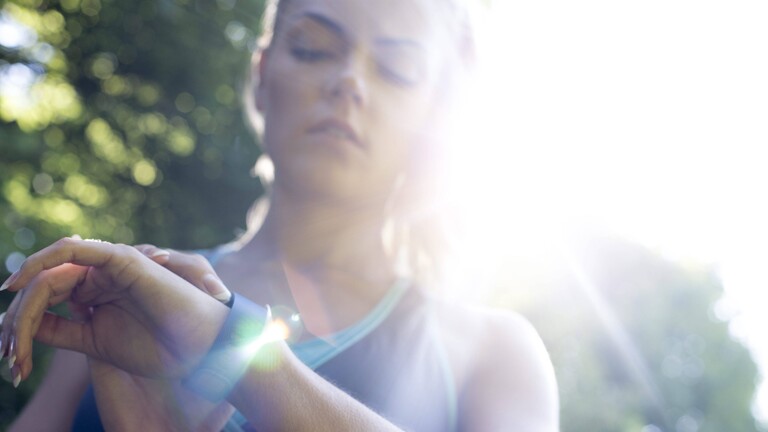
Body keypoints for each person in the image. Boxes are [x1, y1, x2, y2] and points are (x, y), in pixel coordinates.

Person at [0, 0, 559, 430]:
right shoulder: (118, 305)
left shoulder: (493, 353)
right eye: (314, 48)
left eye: (396, 68)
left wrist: (228, 348)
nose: (350, 82)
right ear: (262, 74)